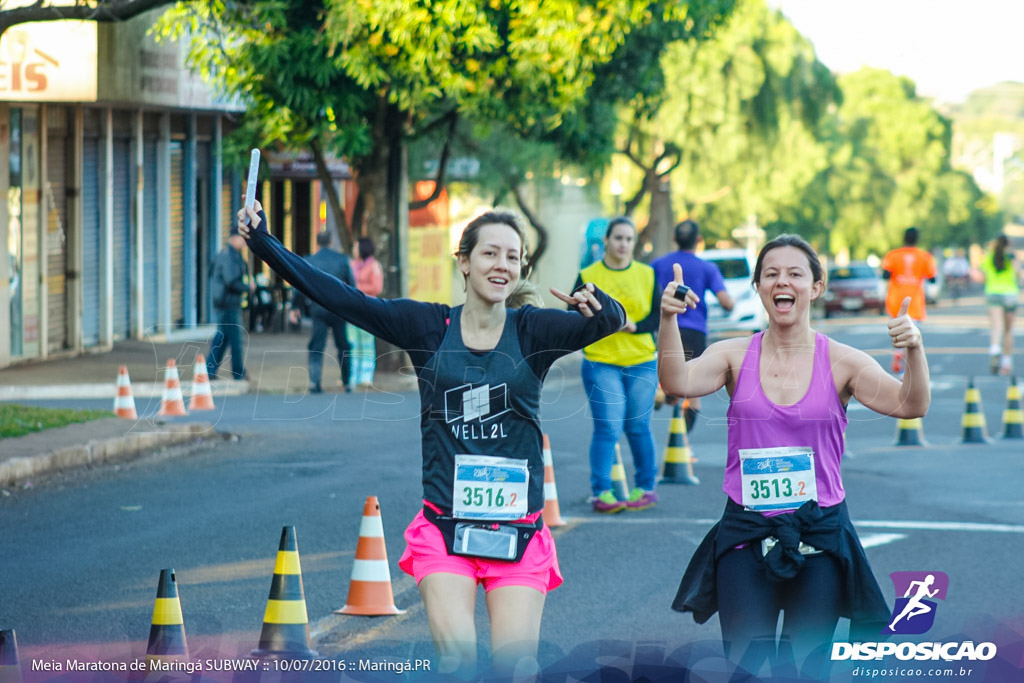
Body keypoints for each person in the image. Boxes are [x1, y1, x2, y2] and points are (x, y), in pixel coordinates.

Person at [239, 202, 624, 678]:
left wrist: (600, 302)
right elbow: (342, 298)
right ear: (464, 261)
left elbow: (609, 323)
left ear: (521, 266)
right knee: (458, 663)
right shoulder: (427, 326)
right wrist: (264, 242)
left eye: (512, 256)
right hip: (446, 531)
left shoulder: (533, 329)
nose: (500, 265)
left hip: (518, 534)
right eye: (489, 254)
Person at [660, 234, 930, 679]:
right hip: (747, 532)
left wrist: (915, 350)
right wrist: (668, 319)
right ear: (760, 287)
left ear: (815, 287)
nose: (782, 281)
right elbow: (677, 383)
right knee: (743, 669)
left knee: (807, 669)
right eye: (771, 274)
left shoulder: (844, 361)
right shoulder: (732, 354)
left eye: (794, 274)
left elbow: (911, 404)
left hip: (819, 536)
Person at [573, 216, 661, 514]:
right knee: (608, 427)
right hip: (602, 361)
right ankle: (602, 492)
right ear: (606, 242)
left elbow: (659, 315)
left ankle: (645, 488)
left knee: (638, 426)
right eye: (618, 238)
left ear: (634, 243)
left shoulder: (647, 274)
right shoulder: (588, 274)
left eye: (628, 239)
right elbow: (574, 313)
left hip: (641, 360)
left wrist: (634, 326)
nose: (623, 244)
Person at [650, 219, 734, 431]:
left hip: (666, 329)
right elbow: (726, 302)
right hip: (695, 331)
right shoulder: (707, 267)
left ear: (674, 238)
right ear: (698, 240)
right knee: (692, 390)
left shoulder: (658, 265)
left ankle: (662, 393)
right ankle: (682, 442)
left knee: (670, 377)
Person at [289, 231, 354, 393]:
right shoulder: (342, 260)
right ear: (331, 242)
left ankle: (314, 382)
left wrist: (295, 307)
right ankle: (347, 382)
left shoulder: (310, 260)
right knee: (343, 345)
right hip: (339, 308)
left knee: (316, 346)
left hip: (318, 308)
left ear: (317, 243)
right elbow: (351, 286)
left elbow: (299, 286)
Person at [880, 227, 936, 374]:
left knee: (898, 329)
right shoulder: (924, 256)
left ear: (903, 238)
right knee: (912, 333)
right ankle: (908, 364)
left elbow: (885, 275)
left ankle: (898, 352)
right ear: (917, 240)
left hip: (896, 300)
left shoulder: (893, 255)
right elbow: (932, 278)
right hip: (914, 302)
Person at [206, 224, 250, 380]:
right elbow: (231, 280)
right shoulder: (228, 256)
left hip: (226, 302)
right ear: (234, 238)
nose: (244, 243)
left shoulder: (229, 255)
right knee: (235, 339)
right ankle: (238, 373)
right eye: (242, 239)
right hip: (228, 303)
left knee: (223, 337)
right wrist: (248, 287)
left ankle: (209, 370)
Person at [973, 234, 1020, 375]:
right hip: (1010, 294)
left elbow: (981, 275)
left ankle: (994, 349)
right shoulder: (1012, 257)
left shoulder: (990, 256)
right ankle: (1006, 363)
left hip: (993, 294)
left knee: (997, 326)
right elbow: (1018, 274)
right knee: (1008, 330)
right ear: (1008, 244)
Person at [348, 237, 385, 389]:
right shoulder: (351, 265)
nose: (353, 250)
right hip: (351, 310)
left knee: (367, 344)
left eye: (356, 247)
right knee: (352, 343)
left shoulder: (374, 266)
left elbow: (377, 287)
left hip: (368, 309)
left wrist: (356, 288)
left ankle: (366, 376)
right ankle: (352, 376)